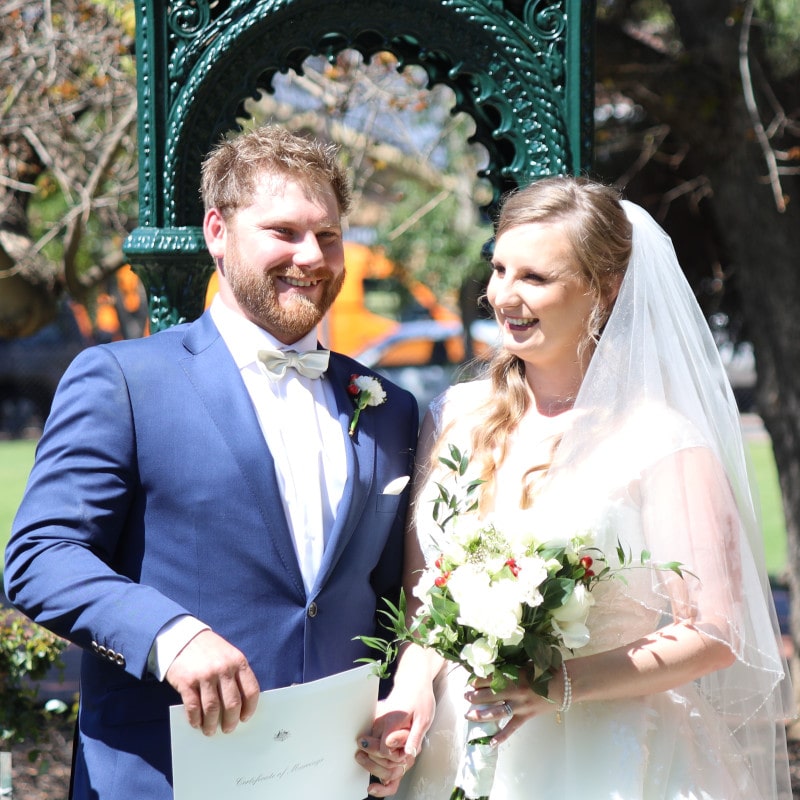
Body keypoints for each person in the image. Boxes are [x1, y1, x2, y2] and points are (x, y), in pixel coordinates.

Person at [3, 125, 418, 800]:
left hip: (333, 779)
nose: (312, 257)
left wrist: (398, 711)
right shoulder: (123, 380)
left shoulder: (388, 407)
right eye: (283, 232)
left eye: (328, 235)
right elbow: (40, 557)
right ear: (217, 232)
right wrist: (168, 635)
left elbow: (391, 598)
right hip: (162, 774)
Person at [358, 176, 793, 799]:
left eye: (535, 277)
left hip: (608, 753)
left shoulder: (660, 439)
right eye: (500, 268)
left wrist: (558, 684)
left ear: (605, 289)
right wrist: (411, 689)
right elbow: (423, 599)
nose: (504, 295)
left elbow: (715, 633)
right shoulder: (453, 416)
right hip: (459, 743)